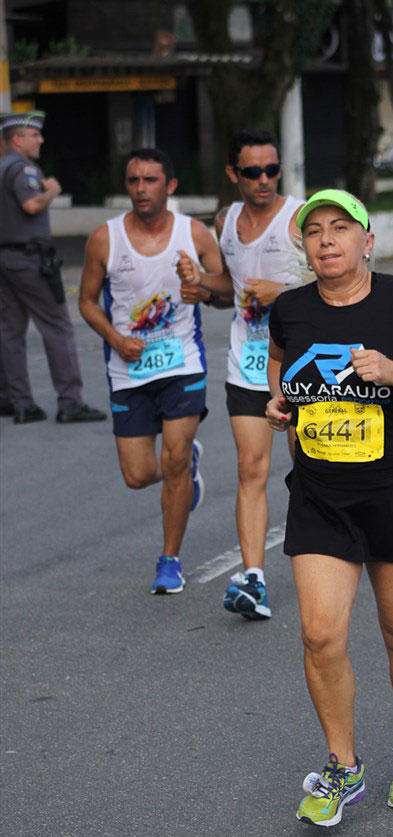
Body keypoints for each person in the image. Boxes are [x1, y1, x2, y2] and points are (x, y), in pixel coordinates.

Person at [266, 189, 393, 827]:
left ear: (367, 241)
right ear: (305, 246)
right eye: (314, 231)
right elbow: (280, 370)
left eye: (340, 228)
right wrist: (280, 405)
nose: (326, 239)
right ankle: (343, 764)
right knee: (319, 634)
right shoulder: (290, 310)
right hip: (320, 496)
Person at [79, 147, 223, 594]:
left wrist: (201, 285)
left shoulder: (192, 233)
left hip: (183, 363)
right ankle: (187, 463)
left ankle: (169, 561)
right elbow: (86, 301)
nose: (141, 189)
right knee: (138, 474)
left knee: (172, 460)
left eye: (150, 180)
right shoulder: (105, 239)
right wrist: (115, 339)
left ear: (170, 185)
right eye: (134, 180)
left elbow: (226, 288)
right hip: (129, 370)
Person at [176, 128, 304, 621]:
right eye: (253, 171)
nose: (265, 179)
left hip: (302, 365)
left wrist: (284, 291)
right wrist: (202, 286)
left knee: (309, 468)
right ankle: (254, 579)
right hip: (248, 363)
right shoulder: (226, 221)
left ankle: (330, 557)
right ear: (234, 174)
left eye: (272, 169)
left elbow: (340, 278)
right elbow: (232, 288)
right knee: (251, 468)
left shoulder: (300, 219)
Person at [0, 110, 107, 424]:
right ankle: (70, 402)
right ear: (17, 139)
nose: (41, 140)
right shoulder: (22, 169)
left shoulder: (2, 166)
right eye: (34, 135)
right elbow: (31, 204)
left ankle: (18, 401)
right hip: (29, 259)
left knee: (10, 330)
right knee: (58, 327)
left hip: (5, 258)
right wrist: (51, 191)